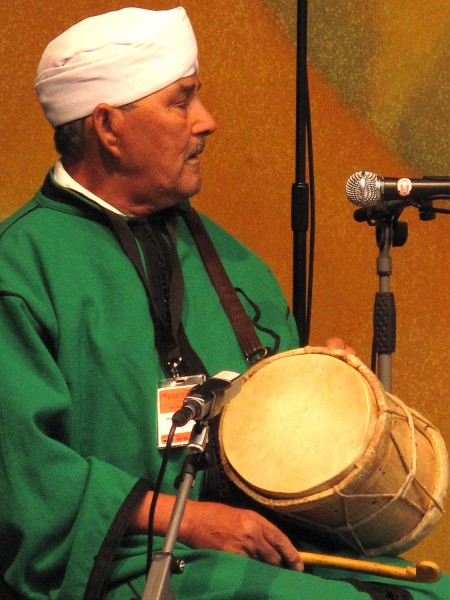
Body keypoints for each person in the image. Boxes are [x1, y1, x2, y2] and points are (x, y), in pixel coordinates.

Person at [0, 7, 448, 600]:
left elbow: (273, 441)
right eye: (181, 101)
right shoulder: (22, 267)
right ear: (108, 127)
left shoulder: (232, 263)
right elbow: (24, 477)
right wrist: (186, 518)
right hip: (129, 561)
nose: (206, 122)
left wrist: (317, 393)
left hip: (270, 543)